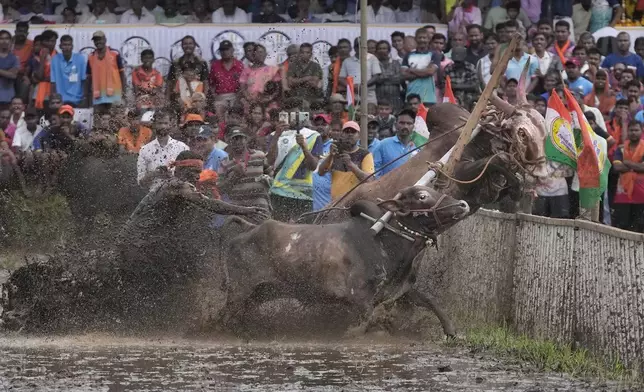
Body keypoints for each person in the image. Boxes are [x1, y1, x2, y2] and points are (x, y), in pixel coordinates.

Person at [266, 118, 322, 221]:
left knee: (303, 232)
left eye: (297, 115)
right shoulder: (274, 135)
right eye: (290, 115)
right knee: (279, 231)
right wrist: (277, 136)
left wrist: (304, 148)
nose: (294, 118)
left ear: (303, 116)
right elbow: (269, 161)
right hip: (279, 191)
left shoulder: (314, 135)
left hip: (304, 194)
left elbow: (313, 166)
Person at [219, 126, 273, 215]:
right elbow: (221, 189)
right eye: (234, 139)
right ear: (229, 142)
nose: (237, 142)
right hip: (237, 209)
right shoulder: (225, 163)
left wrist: (267, 181)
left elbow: (271, 174)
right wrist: (235, 176)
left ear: (246, 139)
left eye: (240, 138)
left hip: (260, 207)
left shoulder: (259, 155)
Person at [318, 120, 374, 201]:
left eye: (353, 132)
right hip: (336, 203)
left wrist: (350, 164)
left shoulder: (365, 154)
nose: (350, 134)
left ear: (359, 136)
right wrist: (330, 156)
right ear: (342, 135)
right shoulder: (336, 151)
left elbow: (370, 180)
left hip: (355, 203)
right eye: (347, 132)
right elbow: (320, 172)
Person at [137, 110, 190, 189]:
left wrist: (172, 176)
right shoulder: (144, 150)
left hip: (179, 194)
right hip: (154, 197)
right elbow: (141, 183)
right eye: (160, 123)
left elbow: (189, 176)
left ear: (170, 125)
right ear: (154, 125)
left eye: (165, 123)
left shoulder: (182, 148)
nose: (163, 126)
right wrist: (155, 174)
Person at [612, 121, 644, 232]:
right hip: (623, 195)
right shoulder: (620, 148)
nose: (634, 133)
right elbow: (617, 168)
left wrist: (627, 163)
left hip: (641, 195)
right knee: (622, 227)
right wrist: (637, 166)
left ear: (641, 131)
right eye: (631, 130)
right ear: (628, 132)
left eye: (636, 130)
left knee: (640, 229)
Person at [87, 31, 126, 110]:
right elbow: (89, 78)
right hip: (98, 96)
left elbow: (122, 74)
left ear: (105, 39)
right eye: (95, 40)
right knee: (100, 120)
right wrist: (89, 96)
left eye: (100, 39)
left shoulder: (114, 54)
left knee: (115, 120)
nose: (98, 42)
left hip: (115, 95)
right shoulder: (91, 57)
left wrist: (124, 93)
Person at [166, 35, 209, 104]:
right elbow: (169, 83)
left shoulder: (201, 63)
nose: (188, 46)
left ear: (195, 45)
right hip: (179, 98)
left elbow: (205, 82)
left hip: (197, 97)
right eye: (185, 44)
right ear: (182, 46)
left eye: (190, 43)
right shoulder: (175, 63)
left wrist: (204, 98)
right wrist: (167, 100)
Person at [402, 28, 440, 107]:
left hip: (428, 97)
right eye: (420, 38)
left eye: (424, 38)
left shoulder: (434, 54)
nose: (422, 40)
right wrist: (425, 72)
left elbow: (431, 72)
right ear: (415, 39)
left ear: (428, 39)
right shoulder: (408, 55)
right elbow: (404, 75)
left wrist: (412, 70)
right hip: (411, 96)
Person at [339, 37, 381, 106]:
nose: (360, 48)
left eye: (362, 45)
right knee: (352, 116)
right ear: (354, 48)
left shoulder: (372, 58)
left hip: (369, 93)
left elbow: (376, 76)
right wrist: (353, 86)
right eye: (358, 46)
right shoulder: (347, 61)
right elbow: (341, 78)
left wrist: (363, 86)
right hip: (353, 93)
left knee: (371, 115)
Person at [50, 35, 87, 108]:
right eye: (64, 45)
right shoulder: (55, 59)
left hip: (77, 99)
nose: (67, 47)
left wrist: (84, 98)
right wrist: (54, 98)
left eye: (69, 45)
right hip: (60, 100)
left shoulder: (80, 58)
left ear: (72, 46)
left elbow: (84, 80)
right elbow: (53, 82)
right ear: (60, 46)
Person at [311, 114, 334, 211]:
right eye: (317, 125)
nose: (320, 127)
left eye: (324, 124)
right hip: (309, 196)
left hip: (327, 196)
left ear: (330, 128)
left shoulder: (334, 147)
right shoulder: (308, 144)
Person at [374, 41, 403, 113]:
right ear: (376, 50)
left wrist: (382, 78)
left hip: (394, 98)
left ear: (389, 50)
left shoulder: (395, 63)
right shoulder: (374, 63)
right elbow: (375, 79)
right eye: (380, 48)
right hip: (379, 97)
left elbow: (399, 79)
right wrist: (390, 77)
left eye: (384, 48)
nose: (382, 50)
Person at [32, 30, 57, 110]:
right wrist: (42, 58)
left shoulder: (58, 56)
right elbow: (39, 76)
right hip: (40, 86)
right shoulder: (35, 58)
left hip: (54, 86)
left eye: (52, 41)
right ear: (42, 42)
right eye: (47, 41)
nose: (50, 43)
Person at [12, 22, 31, 103]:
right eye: (19, 31)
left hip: (23, 75)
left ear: (27, 33)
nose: (21, 34)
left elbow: (33, 62)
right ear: (15, 32)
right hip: (7, 74)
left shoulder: (32, 45)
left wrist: (26, 75)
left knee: (25, 84)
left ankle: (20, 109)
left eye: (24, 32)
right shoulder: (9, 43)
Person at [0, 30, 17, 110]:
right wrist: (7, 72)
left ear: (10, 41)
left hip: (8, 95)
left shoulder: (14, 58)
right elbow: (10, 74)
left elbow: (13, 75)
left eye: (6, 38)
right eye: (1, 38)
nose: (4, 41)